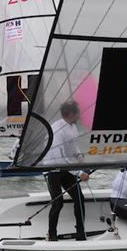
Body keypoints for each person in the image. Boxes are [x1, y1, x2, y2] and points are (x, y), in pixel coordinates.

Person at [42, 100, 89, 241]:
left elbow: (73, 148)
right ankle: (52, 235)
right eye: (78, 113)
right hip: (52, 169)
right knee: (58, 202)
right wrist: (80, 173)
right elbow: (59, 159)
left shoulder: (73, 127)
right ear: (71, 114)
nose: (79, 115)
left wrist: (79, 157)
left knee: (79, 199)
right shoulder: (56, 130)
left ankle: (81, 234)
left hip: (66, 168)